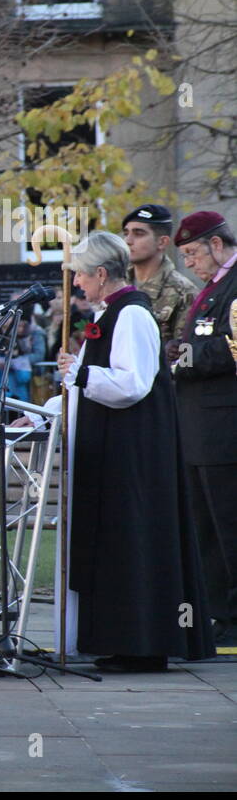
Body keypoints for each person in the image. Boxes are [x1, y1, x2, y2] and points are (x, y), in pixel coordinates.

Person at [36, 231, 214, 670]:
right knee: (116, 542)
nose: (76, 283)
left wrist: (79, 374)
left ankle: (143, 645)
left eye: (79, 275)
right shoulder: (112, 312)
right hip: (113, 447)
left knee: (133, 541)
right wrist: (50, 406)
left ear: (101, 273)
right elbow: (98, 384)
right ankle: (120, 640)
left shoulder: (132, 315)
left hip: (133, 453)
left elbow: (132, 384)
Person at [168, 210, 237, 645]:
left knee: (229, 528)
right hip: (200, 430)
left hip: (224, 429)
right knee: (207, 531)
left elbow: (233, 350)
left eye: (193, 253)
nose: (189, 263)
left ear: (217, 244)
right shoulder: (212, 288)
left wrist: (184, 358)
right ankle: (219, 616)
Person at [122, 204, 196, 342]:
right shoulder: (118, 282)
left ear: (162, 242)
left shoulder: (184, 292)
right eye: (126, 233)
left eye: (138, 234)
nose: (128, 241)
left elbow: (187, 354)